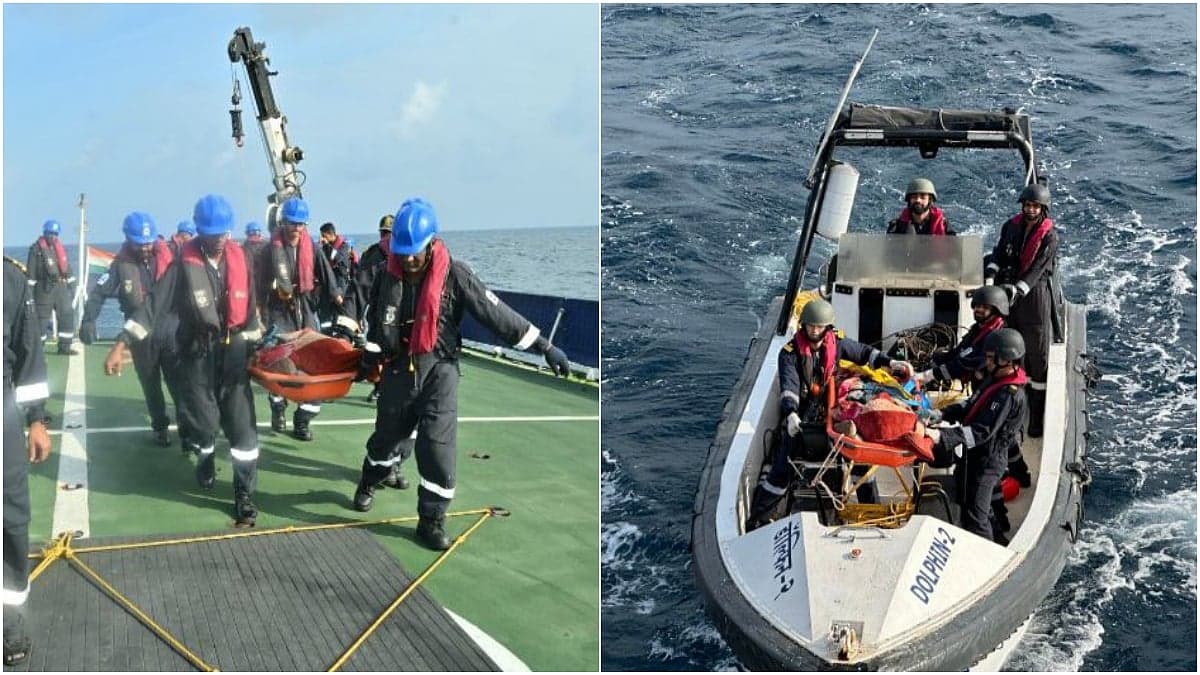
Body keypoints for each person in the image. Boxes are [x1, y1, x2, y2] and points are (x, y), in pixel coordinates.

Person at [353, 198, 570, 550]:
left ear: (431, 244)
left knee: (437, 448)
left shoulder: (456, 275)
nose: (408, 260)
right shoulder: (384, 277)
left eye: (415, 253)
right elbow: (377, 326)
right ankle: (369, 479)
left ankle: (431, 520)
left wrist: (544, 347)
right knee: (386, 440)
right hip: (398, 371)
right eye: (402, 253)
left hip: (440, 371)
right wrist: (367, 361)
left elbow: (496, 313)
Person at [104, 194, 263, 527]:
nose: (218, 239)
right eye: (210, 233)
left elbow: (250, 310)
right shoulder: (181, 266)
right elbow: (153, 306)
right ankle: (205, 455)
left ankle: (244, 495)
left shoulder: (242, 258)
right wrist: (122, 343)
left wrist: (257, 346)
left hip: (234, 355)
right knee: (203, 423)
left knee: (243, 431)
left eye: (222, 233)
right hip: (197, 355)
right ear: (199, 232)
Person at [748, 298, 914, 524]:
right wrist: (791, 414)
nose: (814, 331)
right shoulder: (789, 353)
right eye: (811, 326)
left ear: (827, 327)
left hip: (833, 409)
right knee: (783, 465)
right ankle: (759, 517)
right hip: (802, 415)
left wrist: (890, 362)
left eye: (819, 327)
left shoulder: (837, 342)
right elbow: (789, 386)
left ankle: (869, 509)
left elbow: (863, 352)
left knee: (859, 460)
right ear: (803, 325)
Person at [79, 212, 177, 446]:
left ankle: (188, 429)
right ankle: (160, 426)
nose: (145, 248)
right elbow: (98, 293)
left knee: (179, 381)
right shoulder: (119, 266)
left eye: (148, 243)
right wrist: (88, 320)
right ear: (128, 240)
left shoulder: (171, 259)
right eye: (139, 244)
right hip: (138, 334)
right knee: (150, 383)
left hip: (170, 330)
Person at [924, 328, 1028, 544]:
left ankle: (986, 553)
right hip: (974, 457)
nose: (986, 362)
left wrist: (941, 436)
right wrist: (942, 414)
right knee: (976, 504)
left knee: (976, 515)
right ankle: (998, 540)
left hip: (987, 461)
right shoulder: (995, 379)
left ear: (1007, 360)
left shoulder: (1007, 395)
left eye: (991, 358)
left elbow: (981, 432)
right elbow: (971, 404)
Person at [256, 197, 343, 441]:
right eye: (292, 223)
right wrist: (258, 311)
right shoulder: (268, 251)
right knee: (281, 365)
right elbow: (259, 284)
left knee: (313, 365)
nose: (296, 228)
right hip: (279, 310)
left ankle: (303, 420)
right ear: (282, 223)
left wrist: (339, 299)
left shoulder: (312, 248)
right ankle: (278, 408)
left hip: (304, 310)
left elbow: (327, 276)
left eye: (301, 224)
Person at [3, 256, 53, 666]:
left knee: (10, 516)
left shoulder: (10, 280)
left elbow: (29, 353)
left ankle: (8, 619)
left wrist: (37, 420)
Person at [983, 183, 1058, 437]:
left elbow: (1038, 268)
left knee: (1037, 357)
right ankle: (1011, 409)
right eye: (1027, 205)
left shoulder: (1050, 237)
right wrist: (992, 272)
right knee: (1010, 349)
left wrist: (1020, 289)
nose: (1031, 209)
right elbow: (999, 252)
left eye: (1035, 206)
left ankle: (1036, 417)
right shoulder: (1010, 227)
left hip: (1034, 298)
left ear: (1043, 209)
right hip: (1010, 295)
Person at [915, 284, 1009, 390]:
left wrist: (929, 375)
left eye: (985, 307)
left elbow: (968, 363)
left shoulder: (1000, 337)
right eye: (977, 306)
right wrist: (931, 362)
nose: (979, 309)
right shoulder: (977, 330)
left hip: (991, 389)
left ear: (996, 311)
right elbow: (957, 353)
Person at [355, 214, 395, 403]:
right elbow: (362, 287)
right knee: (377, 351)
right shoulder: (374, 254)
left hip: (389, 314)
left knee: (386, 353)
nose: (385, 237)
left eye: (388, 233)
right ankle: (380, 387)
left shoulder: (400, 255)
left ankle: (383, 387)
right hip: (381, 314)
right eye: (384, 233)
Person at [25, 219, 78, 355]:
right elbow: (31, 273)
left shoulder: (58, 248)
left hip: (61, 288)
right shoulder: (36, 250)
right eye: (50, 233)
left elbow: (66, 267)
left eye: (55, 234)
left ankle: (65, 347)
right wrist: (29, 292)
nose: (53, 236)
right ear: (45, 233)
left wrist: (72, 284)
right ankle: (38, 351)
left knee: (67, 314)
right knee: (41, 320)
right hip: (44, 289)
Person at [318, 221, 358, 332]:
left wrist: (326, 246)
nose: (322, 239)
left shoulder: (344, 246)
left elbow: (337, 259)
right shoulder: (324, 247)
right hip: (328, 287)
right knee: (325, 317)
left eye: (324, 236)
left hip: (341, 286)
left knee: (341, 315)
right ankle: (326, 333)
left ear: (330, 234)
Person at [887, 178, 955, 235]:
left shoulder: (944, 226)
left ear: (929, 200)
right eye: (914, 197)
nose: (918, 200)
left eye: (923, 197)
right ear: (909, 200)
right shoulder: (896, 226)